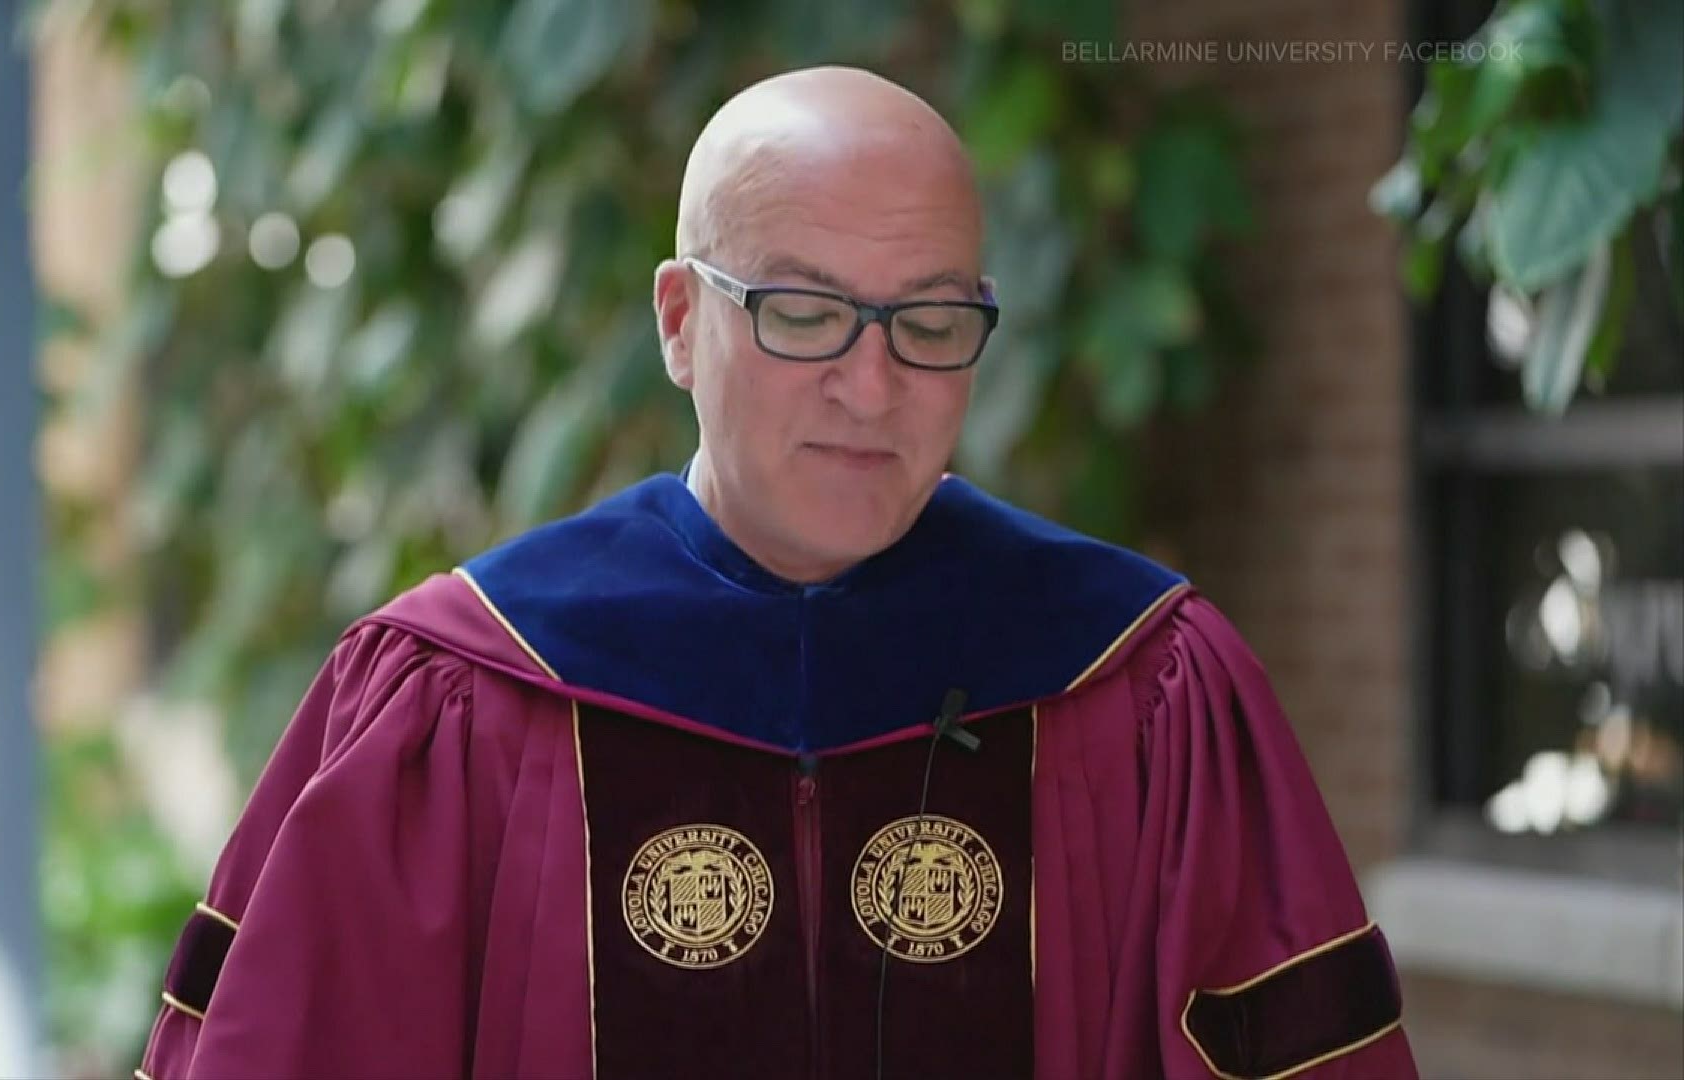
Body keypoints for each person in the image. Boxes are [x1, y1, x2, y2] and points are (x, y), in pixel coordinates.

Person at [136, 66, 1417, 1080]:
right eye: (802, 313)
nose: (872, 388)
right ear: (683, 324)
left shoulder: (1137, 685)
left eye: (929, 322)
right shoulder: (467, 692)